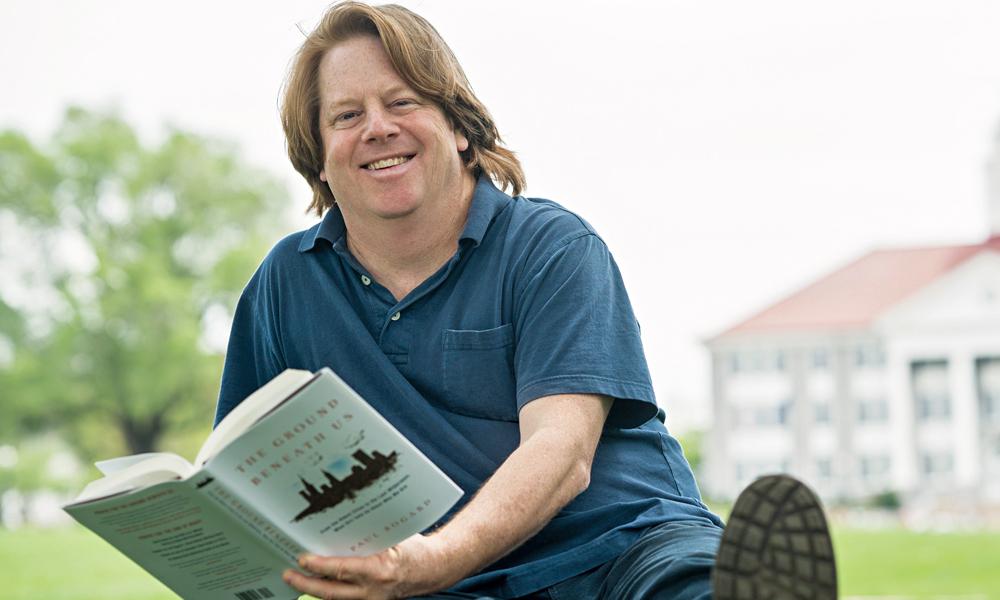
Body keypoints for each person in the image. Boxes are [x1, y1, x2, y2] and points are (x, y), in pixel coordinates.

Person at [214, 2, 837, 598]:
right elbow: (243, 484)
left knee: (684, 586)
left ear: (458, 127)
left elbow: (561, 452)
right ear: (318, 156)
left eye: (402, 102)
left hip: (617, 547)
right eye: (346, 116)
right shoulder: (285, 285)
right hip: (440, 586)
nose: (378, 128)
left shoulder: (553, 248)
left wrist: (431, 559)